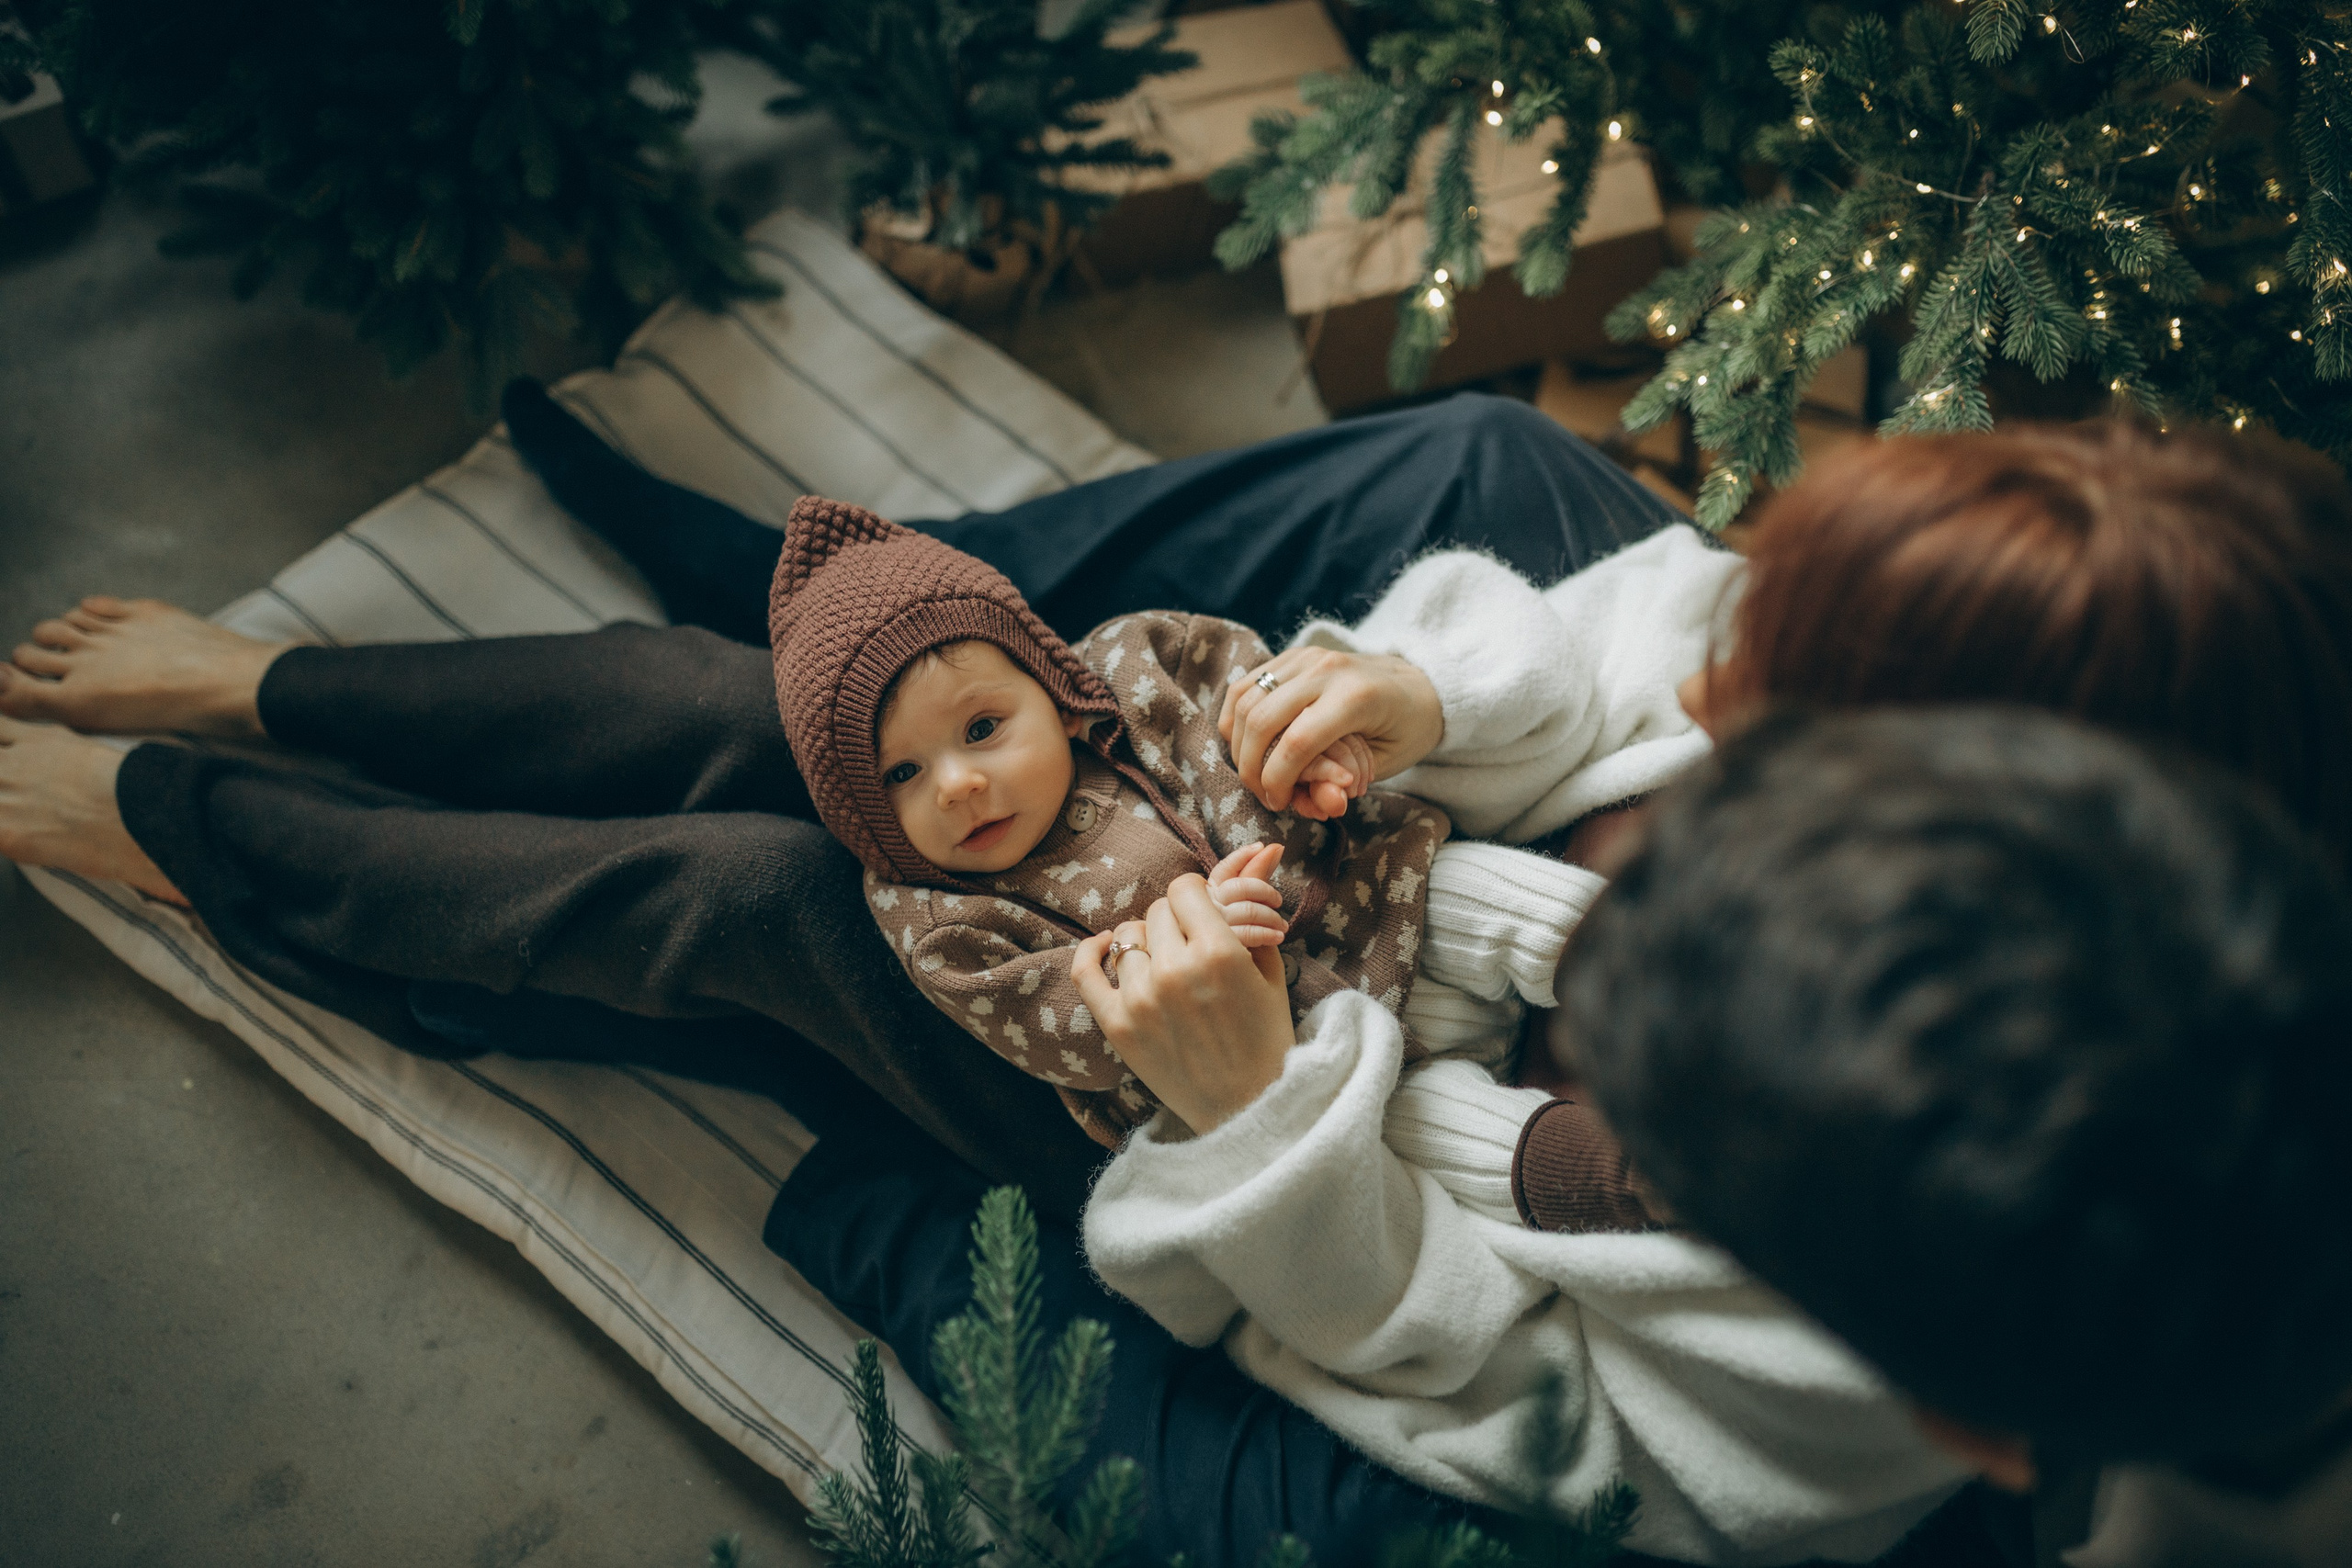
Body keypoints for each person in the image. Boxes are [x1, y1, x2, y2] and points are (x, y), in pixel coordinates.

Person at [765, 495, 1643, 1167]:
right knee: (1413, 1127)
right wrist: (1183, 947)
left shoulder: (1135, 667)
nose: (959, 784)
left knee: (1477, 890)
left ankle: (1643, 953)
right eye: (901, 775)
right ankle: (1578, 1167)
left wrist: (1310, 758)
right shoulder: (937, 916)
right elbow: (1058, 1022)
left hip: (1373, 879)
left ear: (1051, 686)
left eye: (983, 728)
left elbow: (1249, 693)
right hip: (1277, 1048)